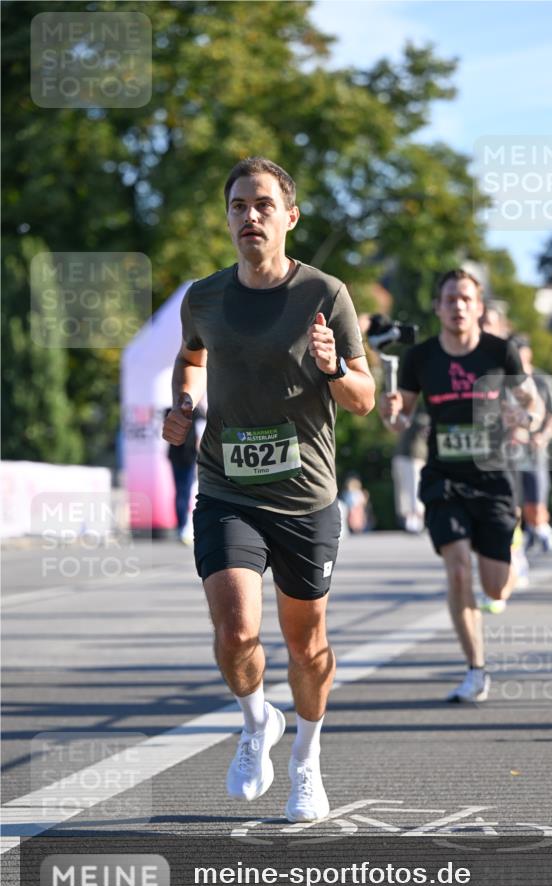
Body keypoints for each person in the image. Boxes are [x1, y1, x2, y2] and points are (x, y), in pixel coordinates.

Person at [162, 157, 374, 821]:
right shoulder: (205, 297)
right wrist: (183, 402)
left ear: (289, 216)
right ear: (227, 217)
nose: (248, 216)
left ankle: (306, 763)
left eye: (261, 205)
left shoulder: (325, 295)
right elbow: (192, 354)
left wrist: (332, 367)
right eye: (237, 206)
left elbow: (364, 398)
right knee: (234, 632)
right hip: (227, 490)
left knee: (306, 645)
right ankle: (256, 721)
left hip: (305, 498)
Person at [379, 269, 544, 704]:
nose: (458, 306)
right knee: (456, 570)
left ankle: (511, 552)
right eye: (449, 299)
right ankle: (476, 669)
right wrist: (390, 409)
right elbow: (400, 418)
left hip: (493, 479)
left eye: (466, 299)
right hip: (444, 477)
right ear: (438, 307)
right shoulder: (421, 358)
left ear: (479, 307)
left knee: (495, 589)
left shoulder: (500, 352)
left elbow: (533, 403)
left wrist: (525, 420)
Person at [511, 336, 552, 553]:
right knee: (511, 506)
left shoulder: (543, 381)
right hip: (508, 453)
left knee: (535, 505)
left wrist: (542, 435)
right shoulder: (500, 380)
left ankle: (540, 528)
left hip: (534, 452)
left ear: (528, 354)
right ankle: (517, 551)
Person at [166, 404, 204, 543]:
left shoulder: (171, 411)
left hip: (178, 456)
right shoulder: (197, 412)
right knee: (186, 493)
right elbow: (200, 438)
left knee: (182, 493)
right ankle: (184, 527)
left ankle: (182, 527)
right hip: (187, 458)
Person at [392, 406, 429, 532]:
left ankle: (415, 521)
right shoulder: (419, 417)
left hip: (412, 457)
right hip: (410, 457)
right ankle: (412, 521)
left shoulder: (414, 417)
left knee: (412, 489)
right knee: (410, 490)